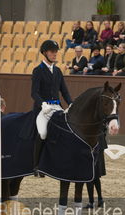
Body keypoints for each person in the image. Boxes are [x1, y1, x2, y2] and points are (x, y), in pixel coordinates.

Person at [31, 40, 73, 175]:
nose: (55, 54)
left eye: (56, 52)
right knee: (43, 133)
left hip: (57, 107)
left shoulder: (58, 71)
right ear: (45, 53)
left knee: (67, 130)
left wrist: (71, 104)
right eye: (52, 51)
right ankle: (36, 165)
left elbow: (64, 91)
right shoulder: (38, 70)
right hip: (43, 108)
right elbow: (34, 92)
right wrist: (42, 104)